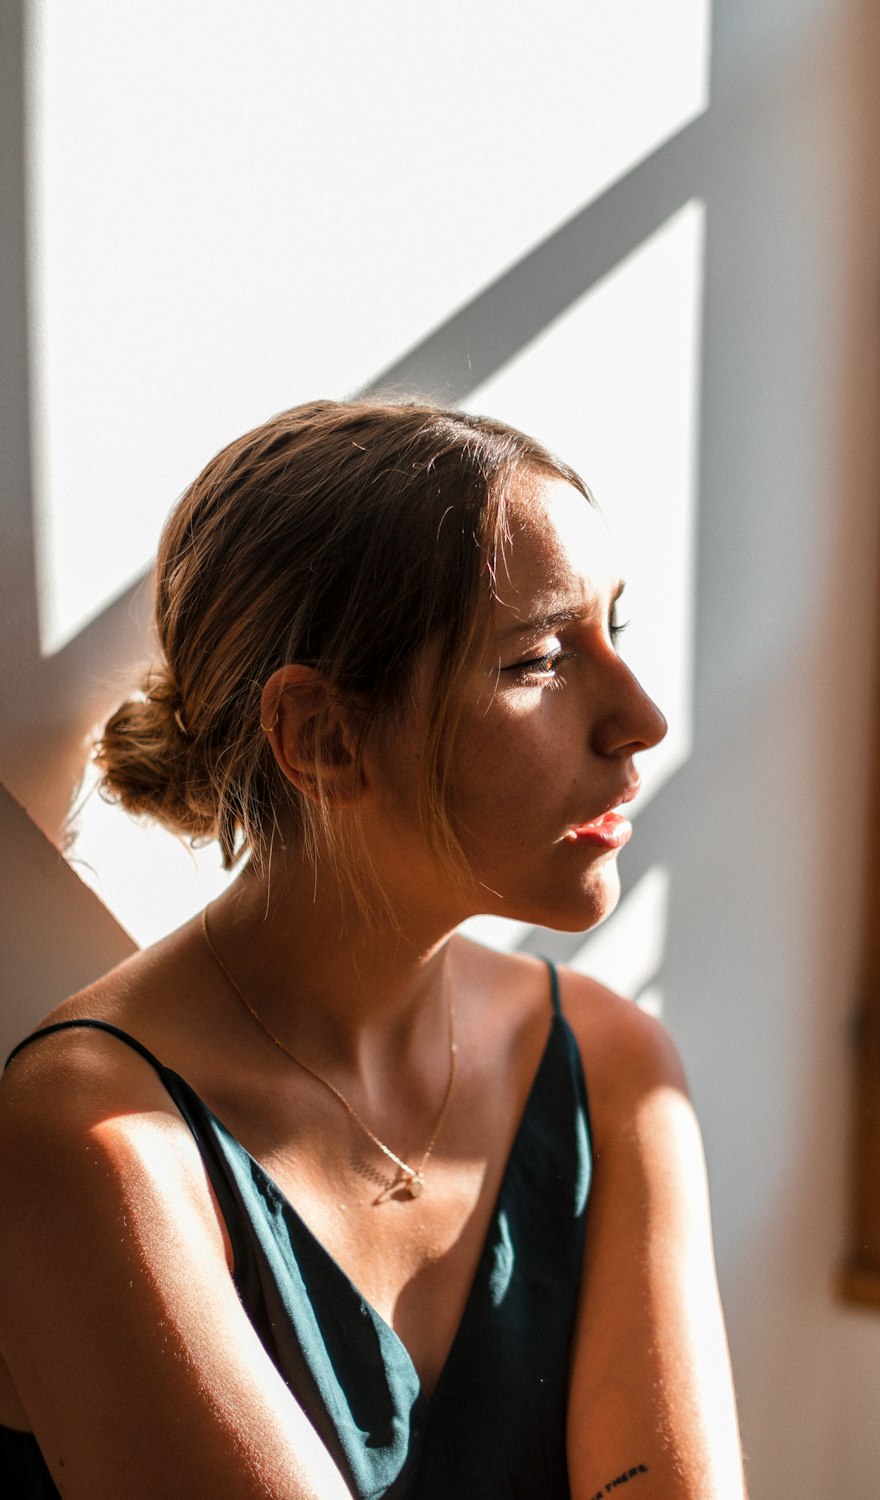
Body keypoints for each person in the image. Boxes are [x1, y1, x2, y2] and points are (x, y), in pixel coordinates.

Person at [0, 401, 746, 1499]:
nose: (639, 719)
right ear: (323, 737)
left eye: (614, 632)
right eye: (539, 659)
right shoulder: (95, 1140)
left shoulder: (615, 1068)